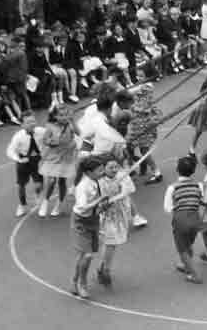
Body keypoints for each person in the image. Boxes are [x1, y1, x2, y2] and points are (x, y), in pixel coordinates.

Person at [163, 156, 205, 284]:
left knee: (182, 249)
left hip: (181, 218)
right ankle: (185, 265)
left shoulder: (172, 188)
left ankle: (194, 275)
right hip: (195, 217)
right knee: (188, 243)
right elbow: (203, 200)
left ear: (177, 170)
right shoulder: (199, 185)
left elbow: (167, 208)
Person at [70, 155, 108, 299]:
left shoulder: (95, 181)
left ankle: (74, 281)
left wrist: (103, 204)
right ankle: (82, 284)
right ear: (88, 172)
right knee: (87, 255)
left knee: (83, 255)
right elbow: (82, 206)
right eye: (99, 170)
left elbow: (97, 205)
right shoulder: (83, 186)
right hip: (81, 221)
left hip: (93, 219)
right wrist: (100, 199)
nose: (102, 172)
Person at [96, 152, 135, 287]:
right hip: (106, 216)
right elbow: (95, 197)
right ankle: (105, 270)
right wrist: (103, 202)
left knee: (112, 243)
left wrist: (113, 198)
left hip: (121, 213)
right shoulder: (98, 180)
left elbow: (126, 192)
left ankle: (102, 266)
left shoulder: (122, 176)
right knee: (111, 242)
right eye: (110, 167)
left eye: (116, 166)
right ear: (103, 168)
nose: (114, 170)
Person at [38, 104, 79, 217]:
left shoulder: (70, 125)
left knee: (62, 182)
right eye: (61, 115)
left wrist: (73, 120)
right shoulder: (50, 126)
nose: (64, 117)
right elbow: (45, 140)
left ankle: (59, 205)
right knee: (51, 180)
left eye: (66, 114)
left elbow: (79, 133)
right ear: (55, 116)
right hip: (54, 157)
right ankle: (45, 202)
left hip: (66, 156)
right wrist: (52, 142)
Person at [6, 111, 46, 217]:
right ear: (22, 124)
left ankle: (39, 200)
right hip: (23, 161)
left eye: (33, 121)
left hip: (37, 160)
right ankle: (22, 205)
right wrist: (18, 159)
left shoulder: (41, 131)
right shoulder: (18, 137)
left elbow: (50, 138)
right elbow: (10, 150)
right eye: (28, 122)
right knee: (21, 185)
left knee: (39, 184)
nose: (32, 124)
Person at [126, 84, 163, 184]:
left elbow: (158, 114)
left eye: (149, 93)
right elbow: (127, 93)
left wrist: (155, 121)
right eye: (146, 93)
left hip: (144, 132)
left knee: (144, 151)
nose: (148, 96)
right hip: (135, 130)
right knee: (128, 148)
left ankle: (157, 172)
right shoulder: (136, 100)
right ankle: (137, 166)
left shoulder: (149, 103)